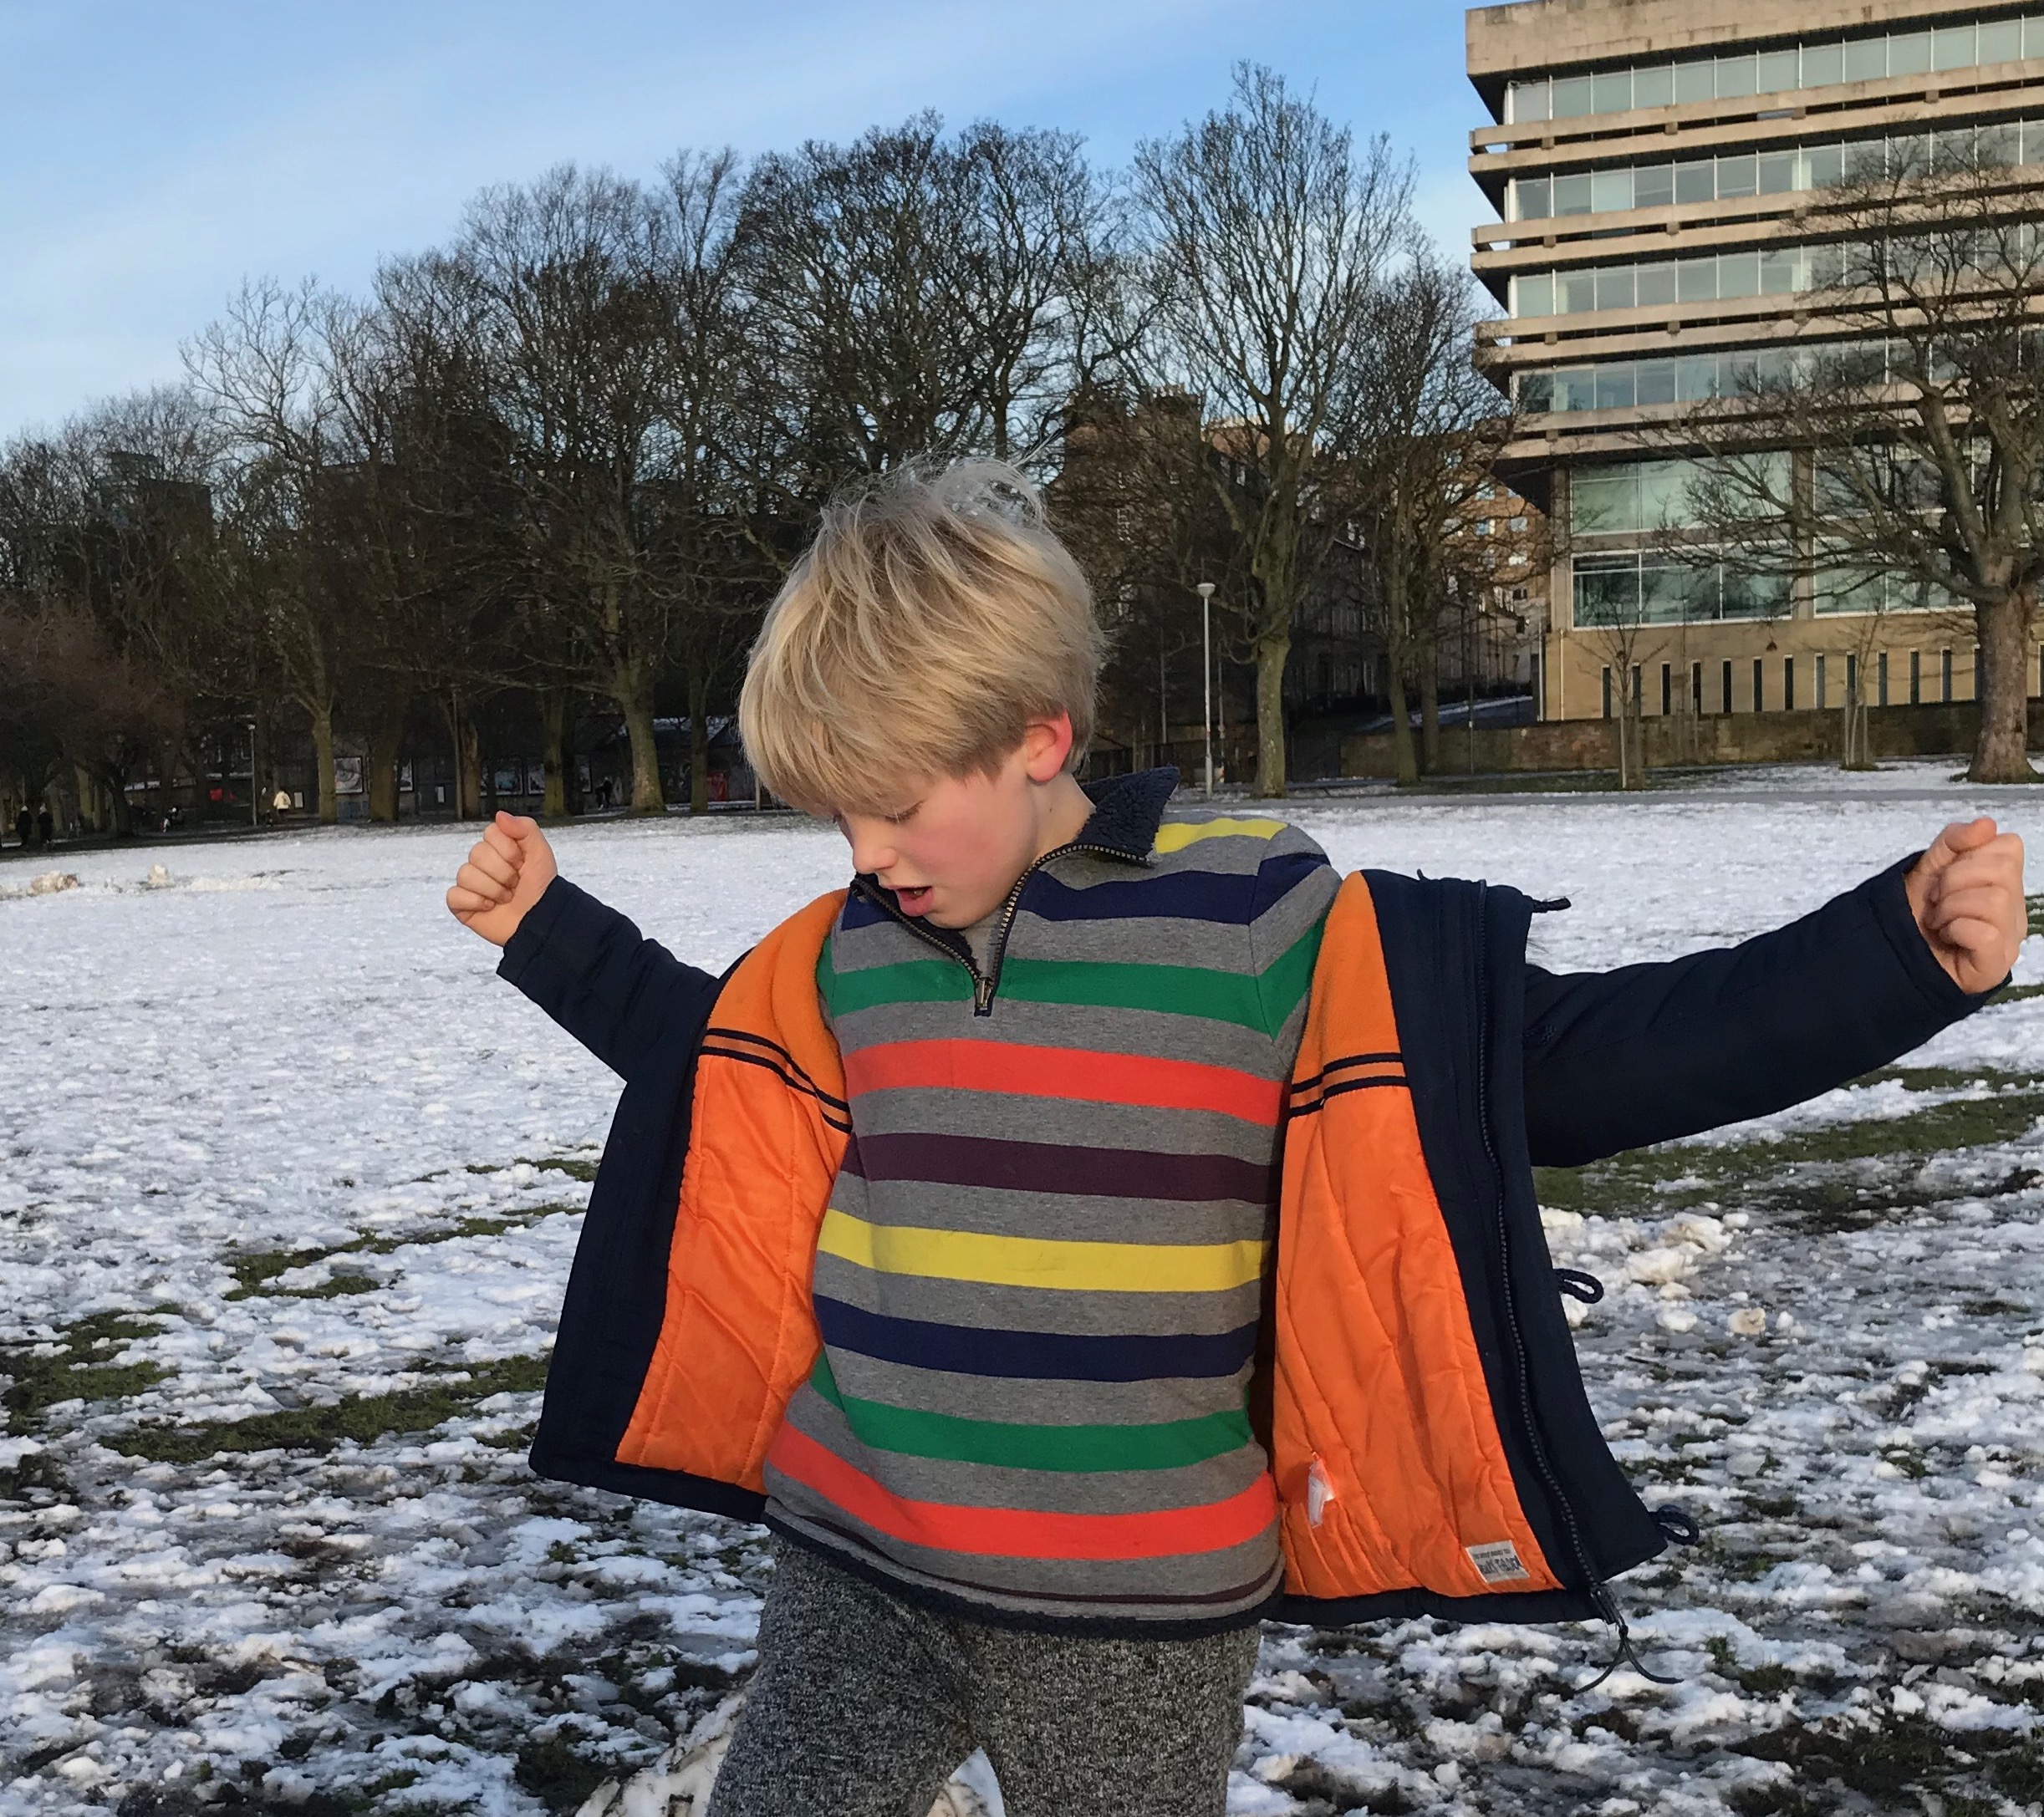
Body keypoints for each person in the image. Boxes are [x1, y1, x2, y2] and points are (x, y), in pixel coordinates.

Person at [446, 461, 2026, 1817]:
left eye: (892, 804)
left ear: (1038, 738)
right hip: (854, 1558)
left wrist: (1882, 963)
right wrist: (549, 933)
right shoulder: (851, 947)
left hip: (1131, 1608)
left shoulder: (1255, 918)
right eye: (830, 817)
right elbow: (710, 1067)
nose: (863, 854)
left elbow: (1557, 1068)